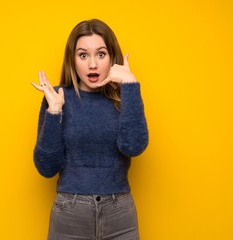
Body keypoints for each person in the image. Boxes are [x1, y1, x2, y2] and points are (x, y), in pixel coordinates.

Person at [31, 19, 148, 240]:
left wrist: (130, 86)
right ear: (72, 60)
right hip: (70, 216)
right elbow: (46, 168)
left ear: (112, 58)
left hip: (120, 215)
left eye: (101, 54)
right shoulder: (57, 97)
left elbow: (133, 147)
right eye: (83, 55)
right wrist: (55, 110)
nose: (92, 64)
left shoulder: (124, 97)